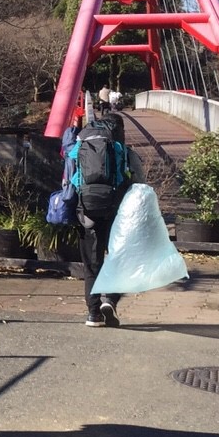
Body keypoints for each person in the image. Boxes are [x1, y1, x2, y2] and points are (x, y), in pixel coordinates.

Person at [65, 110, 144, 328]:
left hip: (86, 212)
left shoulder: (79, 147)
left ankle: (93, 314)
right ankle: (110, 300)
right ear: (120, 130)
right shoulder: (124, 151)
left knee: (91, 265)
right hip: (116, 213)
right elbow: (140, 183)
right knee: (118, 258)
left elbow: (68, 179)